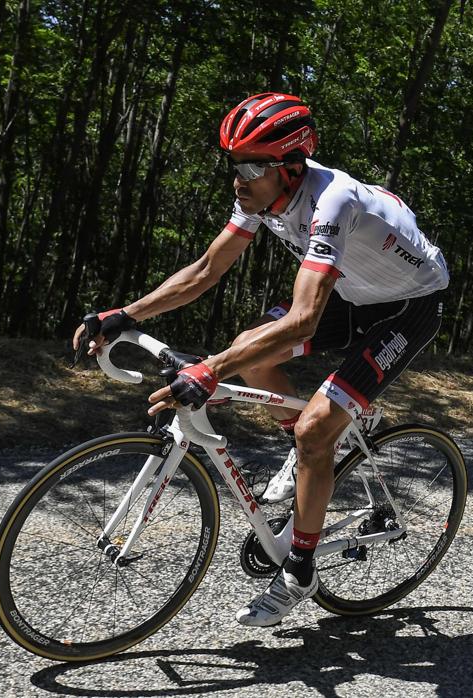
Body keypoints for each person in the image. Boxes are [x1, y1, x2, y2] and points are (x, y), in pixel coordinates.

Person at [72, 92, 449, 626]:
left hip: (409, 305)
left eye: (251, 166)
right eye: (233, 165)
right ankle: (316, 448)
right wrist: (126, 314)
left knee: (314, 427)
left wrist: (209, 369)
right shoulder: (259, 196)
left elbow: (303, 321)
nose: (238, 179)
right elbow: (206, 271)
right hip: (356, 293)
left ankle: (299, 568)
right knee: (252, 349)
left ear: (292, 167)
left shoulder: (332, 202)